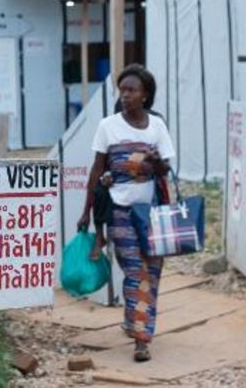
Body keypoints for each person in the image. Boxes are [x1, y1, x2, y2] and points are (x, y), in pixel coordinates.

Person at [76, 64, 175, 363]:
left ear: (145, 95)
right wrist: (86, 211)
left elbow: (166, 169)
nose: (125, 95)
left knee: (153, 273)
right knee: (136, 271)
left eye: (132, 90)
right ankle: (142, 340)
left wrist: (156, 162)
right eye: (122, 90)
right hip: (120, 212)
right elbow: (96, 170)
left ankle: (134, 320)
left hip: (153, 213)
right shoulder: (108, 126)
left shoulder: (157, 126)